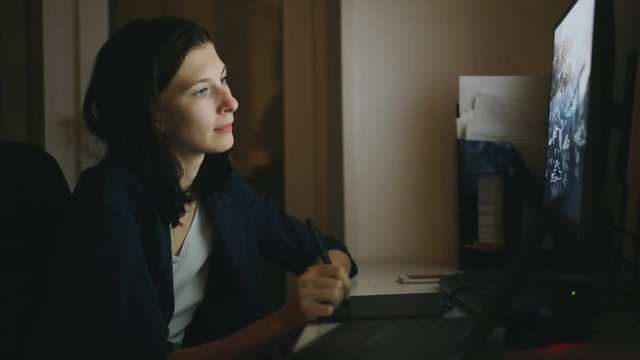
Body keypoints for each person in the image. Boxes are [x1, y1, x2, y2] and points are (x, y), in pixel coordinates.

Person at [38, 16, 357, 360]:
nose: (230, 101)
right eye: (202, 90)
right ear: (153, 113)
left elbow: (328, 250)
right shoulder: (107, 200)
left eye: (223, 79)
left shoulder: (220, 184)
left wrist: (331, 278)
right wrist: (284, 321)